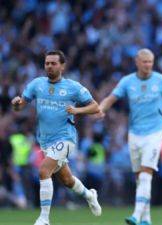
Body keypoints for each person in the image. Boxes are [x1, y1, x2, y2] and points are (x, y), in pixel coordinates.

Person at [11, 50, 102, 225]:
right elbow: (20, 105)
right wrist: (16, 104)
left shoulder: (73, 87)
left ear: (62, 66)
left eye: (53, 63)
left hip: (65, 138)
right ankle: (90, 195)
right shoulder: (37, 84)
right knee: (67, 180)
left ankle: (44, 218)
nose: (50, 66)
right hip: (45, 141)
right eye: (47, 63)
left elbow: (95, 107)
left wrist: (77, 110)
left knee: (44, 170)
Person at [97, 48, 162, 225]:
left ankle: (136, 216)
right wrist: (101, 109)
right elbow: (111, 98)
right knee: (140, 177)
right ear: (137, 62)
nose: (147, 65)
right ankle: (147, 219)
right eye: (144, 62)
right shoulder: (127, 81)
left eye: (150, 62)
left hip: (155, 132)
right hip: (135, 133)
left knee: (146, 173)